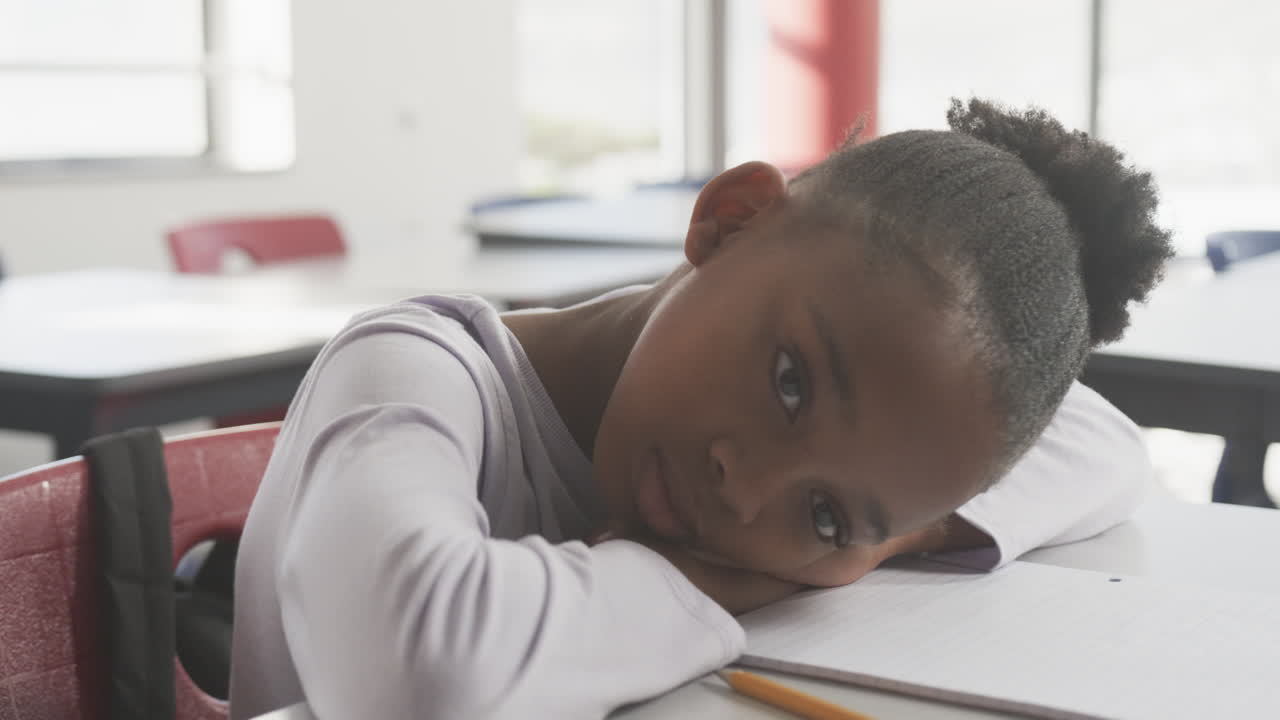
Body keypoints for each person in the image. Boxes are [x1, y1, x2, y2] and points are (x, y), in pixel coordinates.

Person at [229, 98, 1172, 719]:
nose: (749, 491)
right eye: (793, 382)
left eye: (825, 513)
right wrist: (708, 576)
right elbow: (418, 669)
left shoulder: (835, 476)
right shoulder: (413, 367)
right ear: (734, 216)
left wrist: (883, 539)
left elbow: (1111, 445)